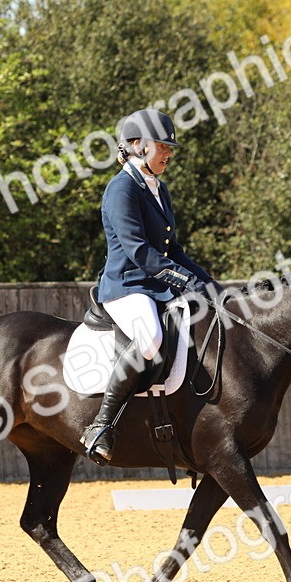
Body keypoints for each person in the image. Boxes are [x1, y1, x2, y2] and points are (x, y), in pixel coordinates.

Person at [80, 108, 220, 465]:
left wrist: (208, 283)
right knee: (151, 338)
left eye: (169, 147)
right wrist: (182, 279)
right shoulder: (121, 188)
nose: (169, 153)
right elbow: (139, 251)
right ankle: (101, 424)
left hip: (155, 285)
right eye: (163, 146)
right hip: (127, 286)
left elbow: (174, 250)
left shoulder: (158, 189)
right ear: (138, 146)